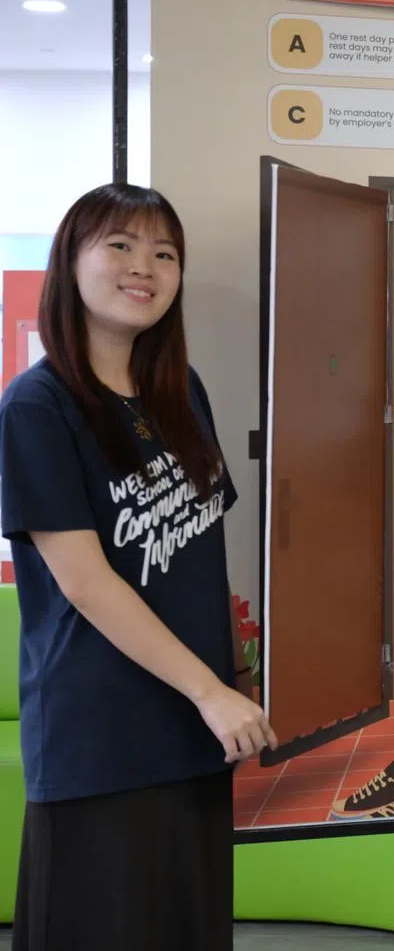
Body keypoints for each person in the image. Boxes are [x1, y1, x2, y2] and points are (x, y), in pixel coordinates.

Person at [0, 183, 277, 951]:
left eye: (164, 253)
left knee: (186, 927)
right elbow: (84, 583)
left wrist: (234, 671)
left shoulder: (178, 393)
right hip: (102, 729)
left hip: (192, 719)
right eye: (119, 246)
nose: (144, 267)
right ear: (72, 262)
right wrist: (210, 690)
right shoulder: (37, 407)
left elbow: (199, 551)